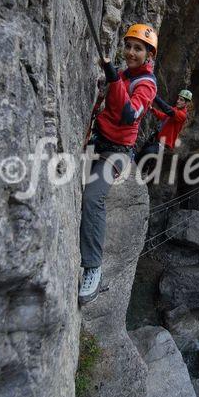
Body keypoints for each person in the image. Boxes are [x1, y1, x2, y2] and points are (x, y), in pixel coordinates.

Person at [79, 24, 158, 304]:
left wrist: (113, 80)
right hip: (99, 141)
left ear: (149, 55)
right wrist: (111, 80)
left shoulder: (146, 85)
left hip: (116, 153)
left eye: (139, 48)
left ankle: (93, 267)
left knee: (92, 197)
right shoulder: (125, 75)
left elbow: (128, 115)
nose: (131, 52)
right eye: (129, 46)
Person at [135, 89, 193, 166]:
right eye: (178, 98)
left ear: (187, 103)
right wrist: (152, 109)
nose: (178, 101)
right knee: (140, 154)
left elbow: (168, 110)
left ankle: (143, 172)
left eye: (181, 100)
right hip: (157, 140)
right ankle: (137, 170)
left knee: (147, 152)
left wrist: (155, 96)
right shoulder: (176, 109)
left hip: (164, 144)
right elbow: (164, 117)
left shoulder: (182, 115)